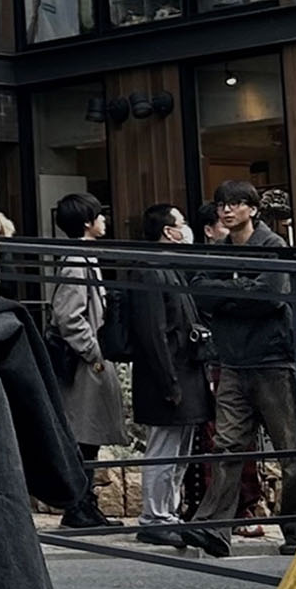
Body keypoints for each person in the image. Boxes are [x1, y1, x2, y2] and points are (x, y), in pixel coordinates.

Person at [188, 180, 296, 556]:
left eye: (236, 203)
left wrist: (228, 293)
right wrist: (241, 289)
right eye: (222, 204)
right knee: (226, 446)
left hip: (272, 361)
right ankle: (214, 528)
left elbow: (269, 296)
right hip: (232, 360)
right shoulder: (218, 249)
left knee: (290, 450)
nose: (227, 210)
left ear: (253, 209)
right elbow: (201, 291)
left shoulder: (273, 245)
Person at [130, 203, 211, 550]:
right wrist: (168, 381)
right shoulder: (152, 270)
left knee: (178, 451)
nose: (186, 228)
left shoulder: (167, 268)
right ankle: (155, 517)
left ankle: (167, 513)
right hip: (169, 376)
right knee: (165, 448)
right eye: (182, 223)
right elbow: (153, 333)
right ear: (168, 231)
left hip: (183, 373)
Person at [49, 192, 126, 527]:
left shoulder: (82, 257)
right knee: (83, 436)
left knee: (87, 437)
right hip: (83, 364)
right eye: (99, 215)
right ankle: (78, 507)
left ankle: (84, 505)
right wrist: (93, 353)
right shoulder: (78, 260)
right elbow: (68, 315)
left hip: (85, 361)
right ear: (86, 222)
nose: (104, 220)